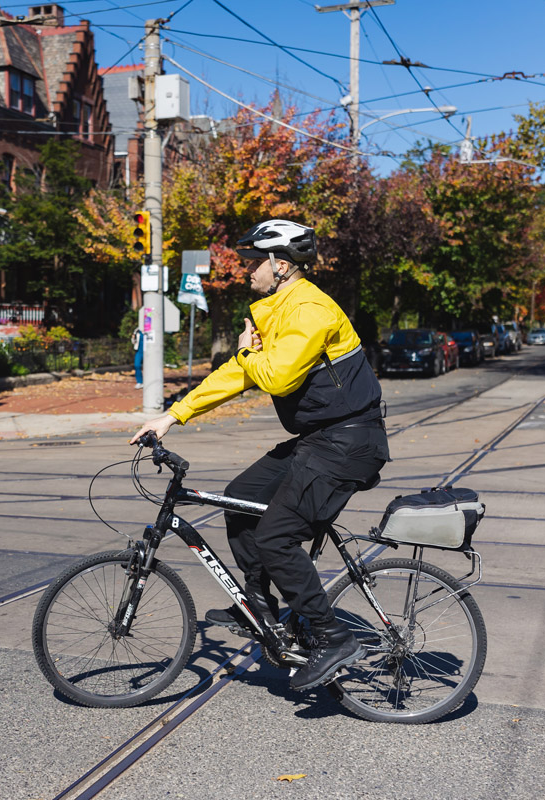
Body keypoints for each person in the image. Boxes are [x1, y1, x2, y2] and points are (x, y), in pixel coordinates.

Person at [130, 219, 389, 692]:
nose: (246, 270)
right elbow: (239, 370)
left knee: (276, 537)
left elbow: (276, 377)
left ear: (282, 266)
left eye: (254, 263)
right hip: (320, 438)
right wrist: (173, 415)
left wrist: (248, 353)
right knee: (240, 496)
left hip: (348, 443)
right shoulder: (278, 309)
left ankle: (332, 637)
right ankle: (260, 607)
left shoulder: (309, 310)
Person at [132, 323, 145, 389]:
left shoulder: (150, 330)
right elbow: (133, 341)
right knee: (137, 365)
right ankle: (139, 382)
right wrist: (133, 338)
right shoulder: (137, 330)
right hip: (139, 351)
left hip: (148, 352)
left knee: (148, 368)